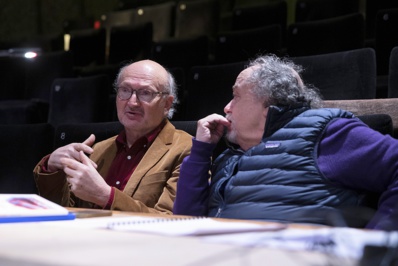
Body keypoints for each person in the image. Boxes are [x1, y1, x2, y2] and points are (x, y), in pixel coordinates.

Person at [173, 54, 398, 230]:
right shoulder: (229, 157)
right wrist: (201, 154)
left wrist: (373, 246)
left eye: (236, 95)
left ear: (268, 102)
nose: (227, 107)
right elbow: (185, 224)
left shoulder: (325, 133)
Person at [33, 60, 192, 214]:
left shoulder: (187, 149)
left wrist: (105, 196)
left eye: (145, 93)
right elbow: (66, 211)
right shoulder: (98, 149)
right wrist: (52, 169)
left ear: (167, 104)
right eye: (125, 90)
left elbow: (172, 221)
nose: (132, 102)